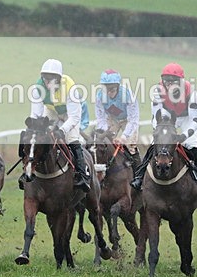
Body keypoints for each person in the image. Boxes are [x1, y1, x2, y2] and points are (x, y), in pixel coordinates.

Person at [130, 62, 197, 192]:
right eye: (166, 81)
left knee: (191, 144)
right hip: (168, 117)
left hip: (187, 118)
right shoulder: (158, 91)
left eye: (172, 81)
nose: (169, 84)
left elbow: (195, 120)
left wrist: (182, 136)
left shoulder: (191, 93)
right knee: (155, 144)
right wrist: (160, 134)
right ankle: (139, 177)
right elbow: (156, 116)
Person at [25, 58, 90, 192]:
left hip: (69, 113)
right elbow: (36, 115)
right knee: (35, 136)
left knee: (72, 139)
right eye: (45, 78)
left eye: (51, 79)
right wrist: (34, 129)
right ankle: (27, 167)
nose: (47, 82)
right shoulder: (38, 88)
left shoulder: (70, 87)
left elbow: (74, 117)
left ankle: (82, 175)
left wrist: (62, 130)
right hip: (51, 110)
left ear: (59, 78)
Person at [94, 69, 140, 167]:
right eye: (106, 89)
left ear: (118, 87)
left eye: (112, 89)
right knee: (104, 143)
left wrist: (124, 137)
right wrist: (105, 133)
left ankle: (138, 173)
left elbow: (133, 120)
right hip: (112, 119)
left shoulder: (128, 95)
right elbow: (101, 119)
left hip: (128, 120)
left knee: (130, 146)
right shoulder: (99, 96)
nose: (109, 93)